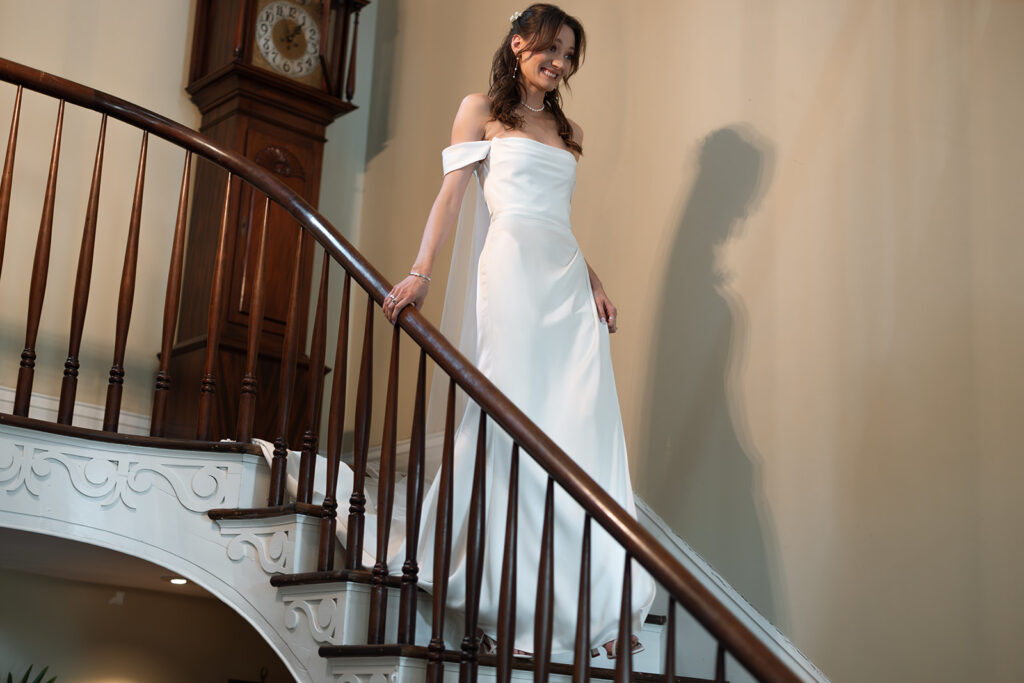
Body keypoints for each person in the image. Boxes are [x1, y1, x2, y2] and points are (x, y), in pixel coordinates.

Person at [383, 3, 655, 659]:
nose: (557, 61)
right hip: (508, 274)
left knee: (579, 421)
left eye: (567, 53)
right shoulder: (480, 108)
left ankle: (596, 595)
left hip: (563, 279)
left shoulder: (567, 127)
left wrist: (591, 278)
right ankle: (503, 586)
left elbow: (555, 217)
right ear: (517, 44)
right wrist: (421, 270)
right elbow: (452, 195)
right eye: (548, 48)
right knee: (511, 411)